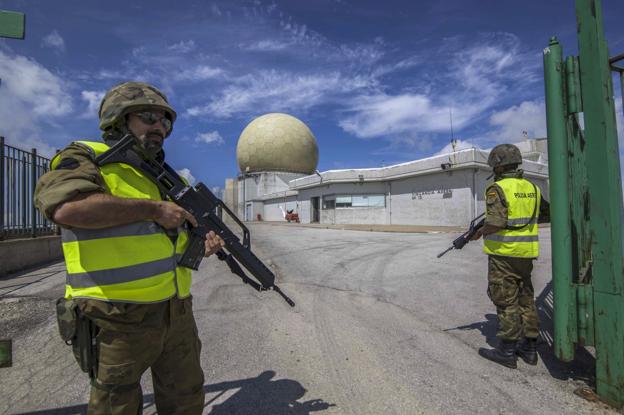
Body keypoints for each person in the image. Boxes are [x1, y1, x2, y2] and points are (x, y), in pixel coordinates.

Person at [34, 81, 225, 414]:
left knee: (186, 397)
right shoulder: (86, 156)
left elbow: (166, 233)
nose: (159, 128)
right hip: (116, 316)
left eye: (165, 122)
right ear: (118, 120)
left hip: (176, 309)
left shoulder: (162, 175)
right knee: (116, 406)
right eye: (149, 117)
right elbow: (67, 208)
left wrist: (201, 240)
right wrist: (153, 209)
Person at [470, 143, 550, 369]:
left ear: (497, 165)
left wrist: (478, 233)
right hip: (526, 254)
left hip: (504, 254)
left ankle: (506, 350)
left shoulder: (498, 189)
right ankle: (530, 348)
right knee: (526, 299)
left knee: (506, 300)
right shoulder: (532, 188)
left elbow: (495, 223)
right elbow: (545, 213)